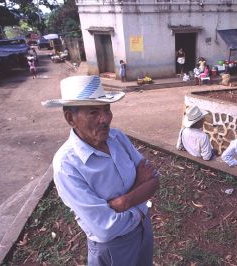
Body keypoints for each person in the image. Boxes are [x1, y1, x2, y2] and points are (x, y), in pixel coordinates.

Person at [41, 75, 159, 266]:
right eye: (93, 113)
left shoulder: (117, 137)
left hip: (144, 229)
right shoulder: (67, 165)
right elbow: (105, 229)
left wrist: (122, 202)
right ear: (70, 118)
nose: (105, 119)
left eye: (106, 109)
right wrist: (138, 190)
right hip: (114, 248)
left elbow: (154, 180)